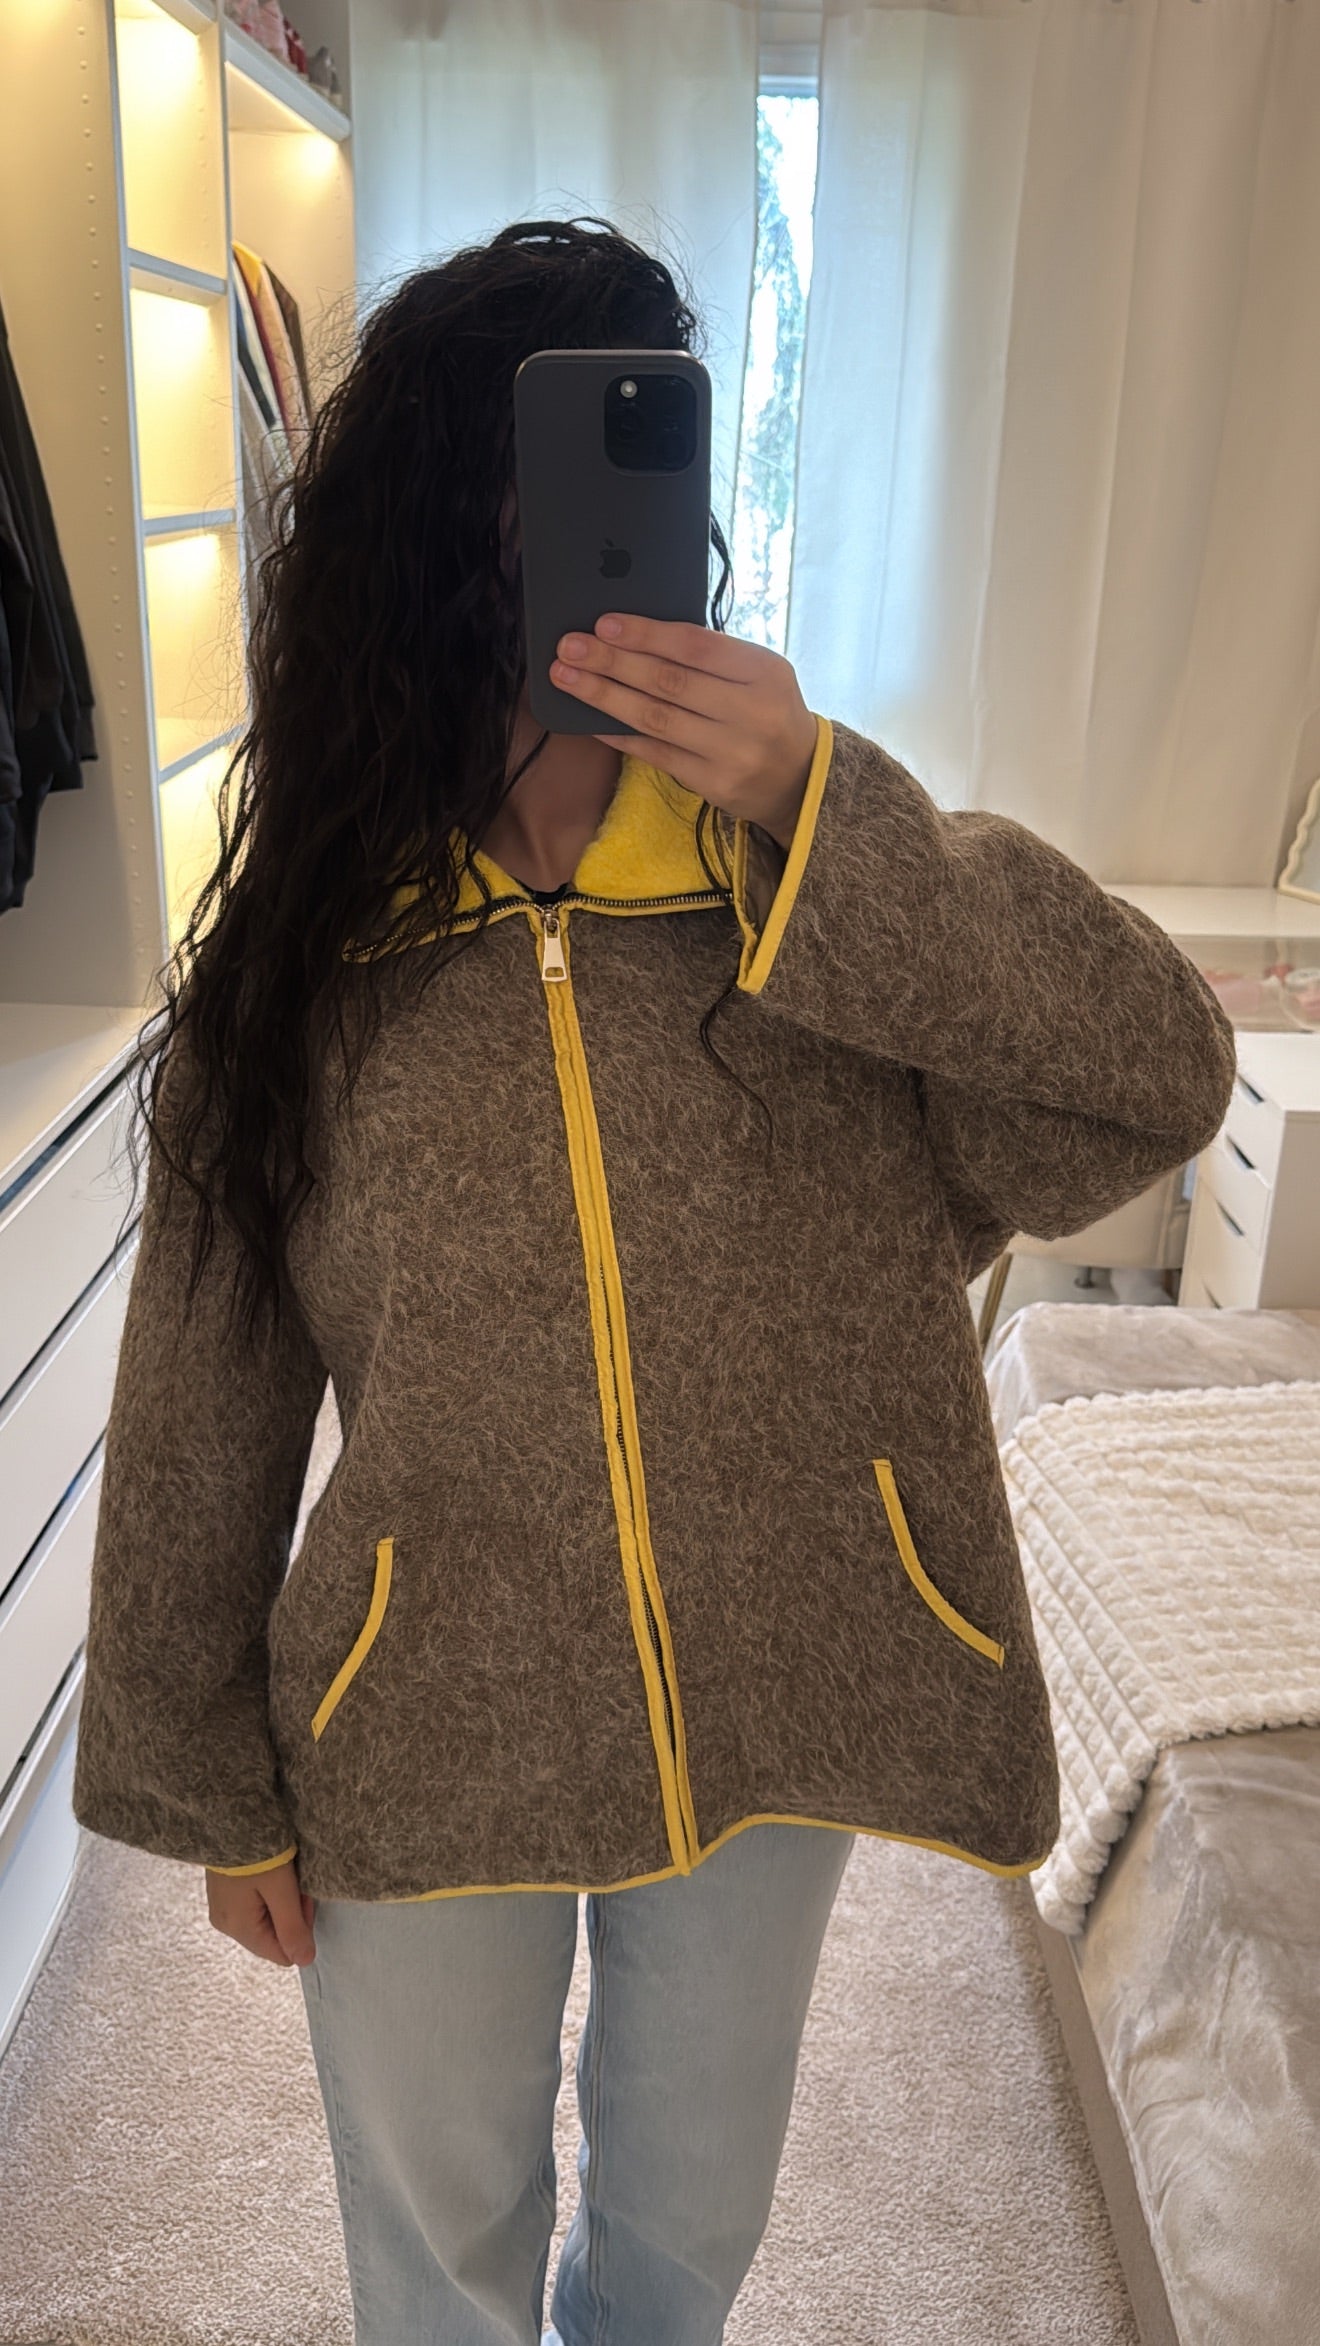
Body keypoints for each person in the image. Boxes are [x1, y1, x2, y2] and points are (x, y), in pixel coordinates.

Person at [72, 217, 1237, 2345]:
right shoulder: (315, 958)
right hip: (422, 1707)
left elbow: (1157, 1069)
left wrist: (816, 800)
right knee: (437, 2238)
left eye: (636, 467)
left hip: (777, 1677)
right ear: (429, 527)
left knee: (689, 2222)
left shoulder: (801, 898)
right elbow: (197, 1397)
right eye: (521, 483)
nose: (580, 550)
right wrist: (205, 1771)